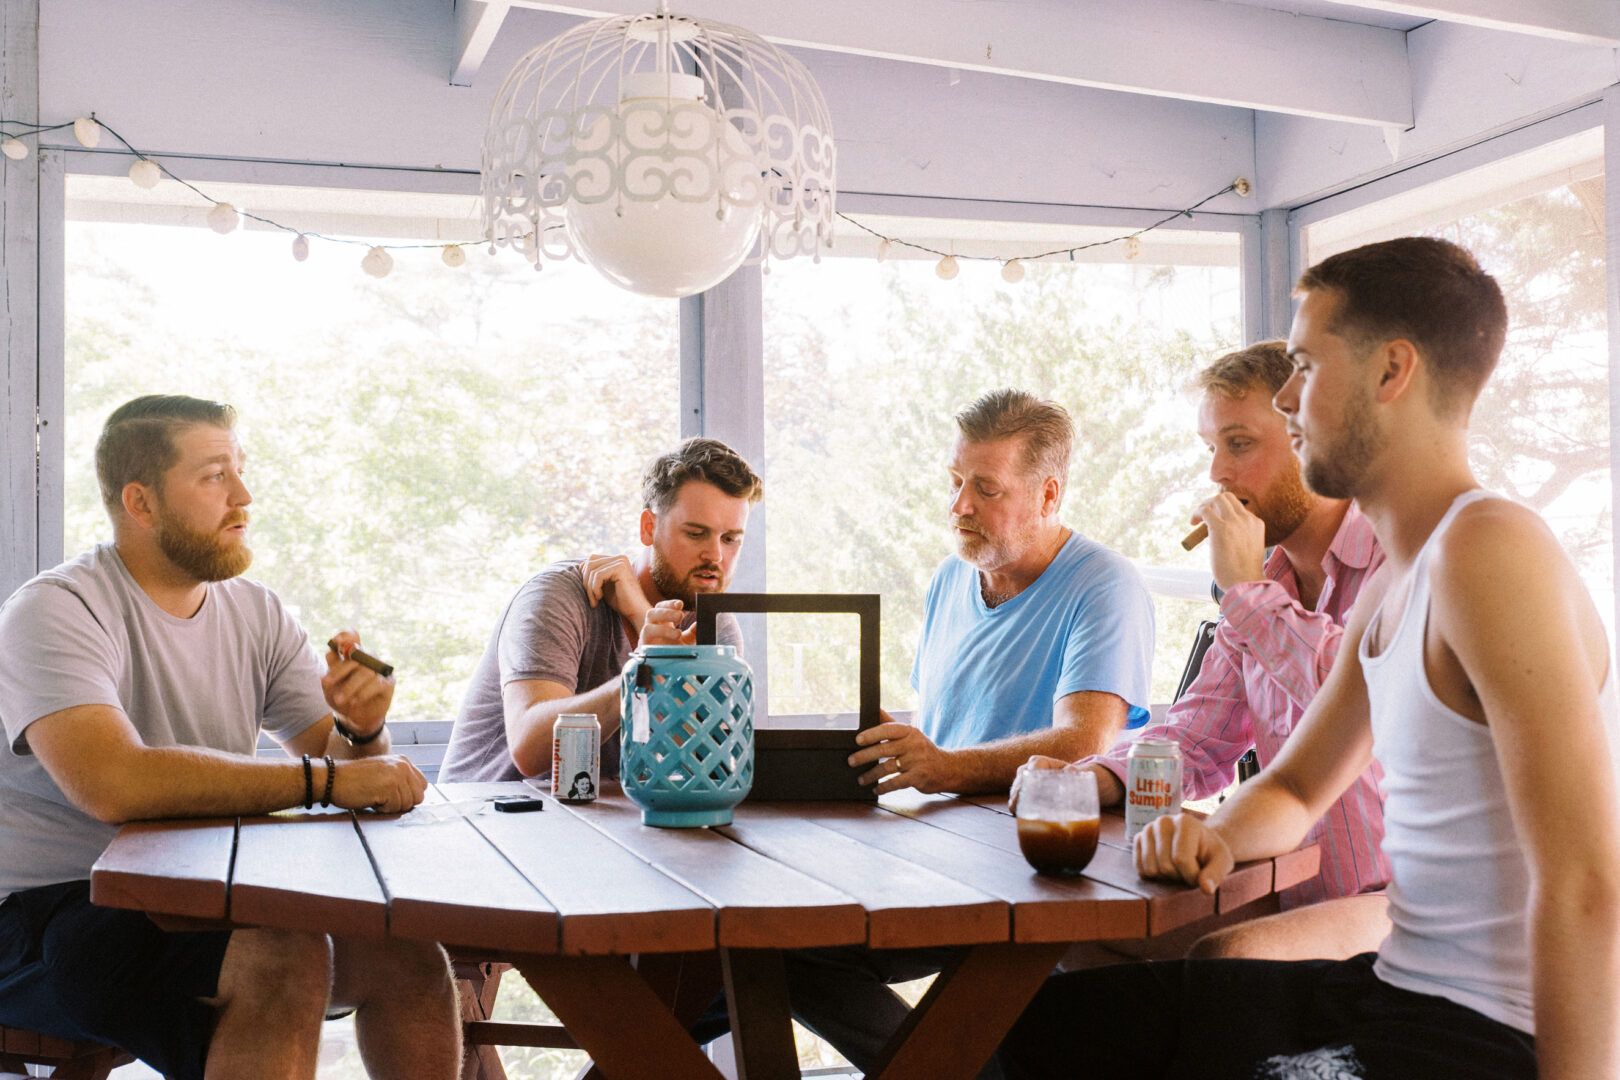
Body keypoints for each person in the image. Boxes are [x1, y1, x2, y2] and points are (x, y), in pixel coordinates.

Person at [997, 236, 1620, 1080]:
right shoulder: (1399, 582)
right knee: (1035, 1032)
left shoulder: (1489, 551)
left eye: (1304, 365)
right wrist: (1217, 836)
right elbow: (1294, 786)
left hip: (1473, 1037)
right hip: (1390, 990)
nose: (1290, 396)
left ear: (1390, 372)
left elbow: (1588, 881)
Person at [0, 395, 460, 1080]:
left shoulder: (258, 611)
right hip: (51, 911)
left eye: (241, 471)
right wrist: (328, 780)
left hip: (201, 891)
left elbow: (339, 763)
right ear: (142, 502)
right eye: (216, 476)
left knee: (408, 952)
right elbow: (113, 784)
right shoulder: (57, 609)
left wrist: (360, 729)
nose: (244, 496)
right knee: (283, 954)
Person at [1023, 340, 1391, 961]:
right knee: (1079, 946)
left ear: (1313, 437)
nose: (1217, 473)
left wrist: (1243, 591)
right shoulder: (1265, 582)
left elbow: (1360, 697)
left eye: (1239, 444)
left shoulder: (1395, 555)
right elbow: (1196, 739)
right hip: (1293, 879)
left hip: (1395, 900)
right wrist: (1089, 782)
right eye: (1211, 449)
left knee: (1222, 958)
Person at [848, 388, 1155, 796]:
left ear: (1048, 495)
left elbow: (1082, 745)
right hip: (938, 833)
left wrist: (947, 768)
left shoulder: (1106, 586)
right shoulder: (949, 577)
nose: (959, 506)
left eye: (986, 489)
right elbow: (938, 735)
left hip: (1034, 838)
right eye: (955, 482)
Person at [440, 437, 762, 785]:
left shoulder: (716, 626)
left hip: (604, 825)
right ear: (649, 528)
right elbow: (529, 748)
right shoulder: (559, 595)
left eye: (730, 539)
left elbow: (708, 759)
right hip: (485, 820)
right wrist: (644, 670)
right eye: (697, 533)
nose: (715, 556)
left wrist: (642, 616)